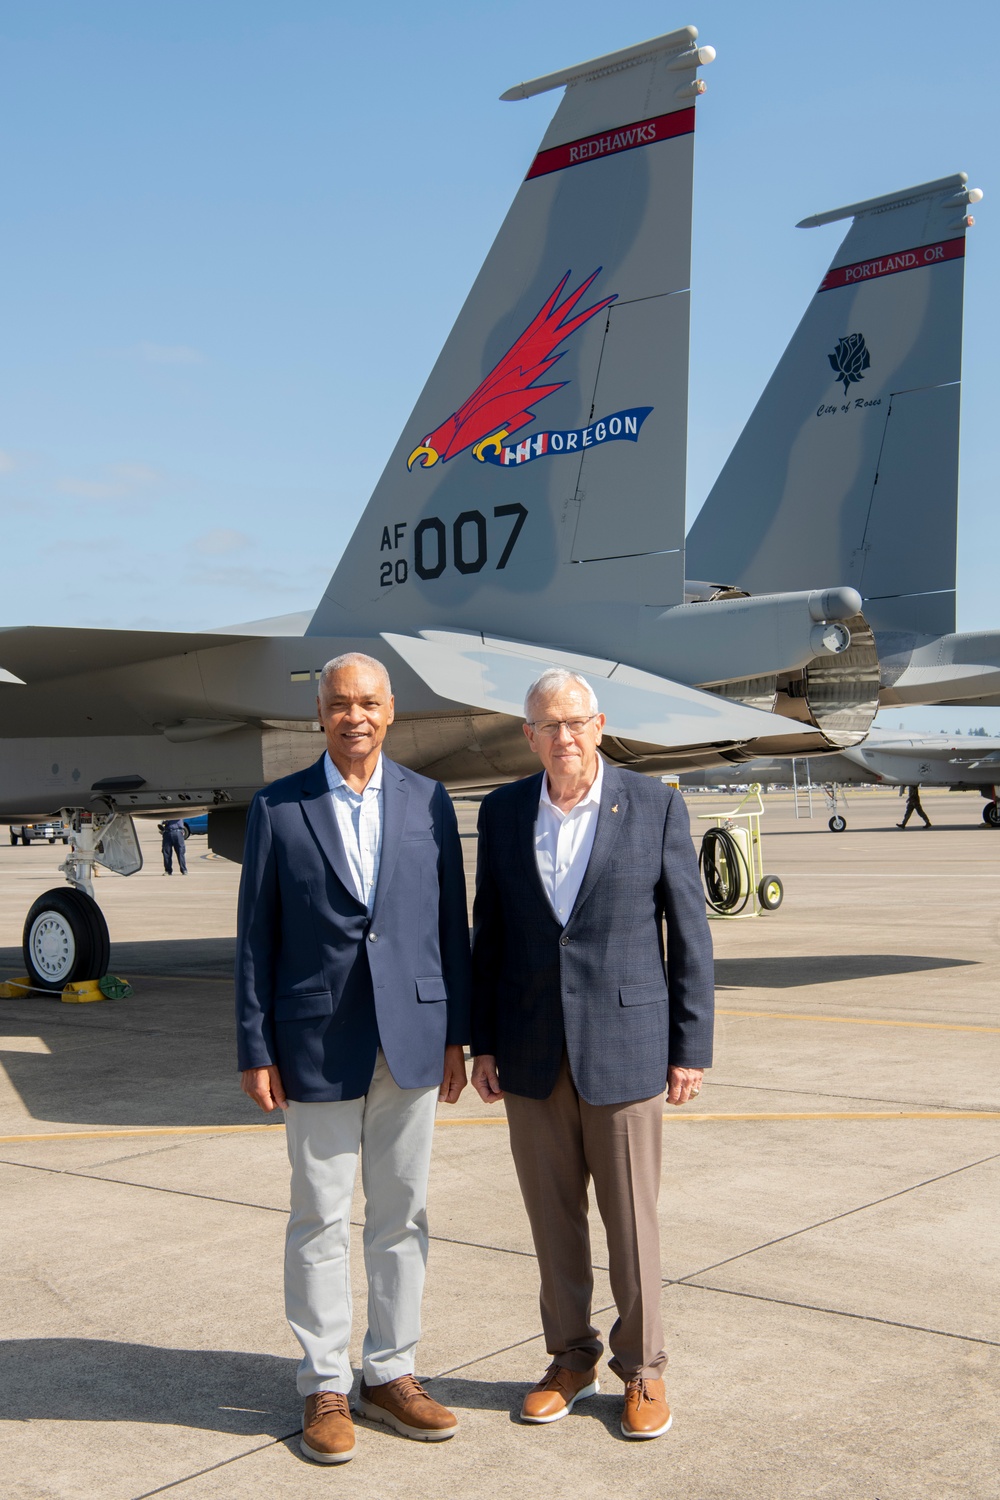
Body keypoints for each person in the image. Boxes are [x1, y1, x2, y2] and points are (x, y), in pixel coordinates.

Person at [236, 652, 471, 1465]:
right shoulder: (278, 807)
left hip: (409, 1041)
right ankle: (324, 1383)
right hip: (316, 1043)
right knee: (320, 1218)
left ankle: (391, 1372)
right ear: (320, 715)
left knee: (402, 1214)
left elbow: (451, 928)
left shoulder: (428, 802)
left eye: (369, 703)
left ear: (392, 709)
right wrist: (255, 1044)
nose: (355, 717)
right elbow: (256, 941)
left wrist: (455, 1034)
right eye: (340, 705)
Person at [470, 668, 714, 1441]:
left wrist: (690, 1045)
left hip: (627, 1046)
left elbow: (690, 935)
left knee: (632, 1224)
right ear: (528, 736)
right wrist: (483, 1041)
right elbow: (491, 937)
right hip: (531, 1053)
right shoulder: (504, 812)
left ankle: (642, 1368)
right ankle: (569, 1357)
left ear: (599, 724)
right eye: (548, 725)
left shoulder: (654, 805)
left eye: (575, 722)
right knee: (552, 1222)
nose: (564, 737)